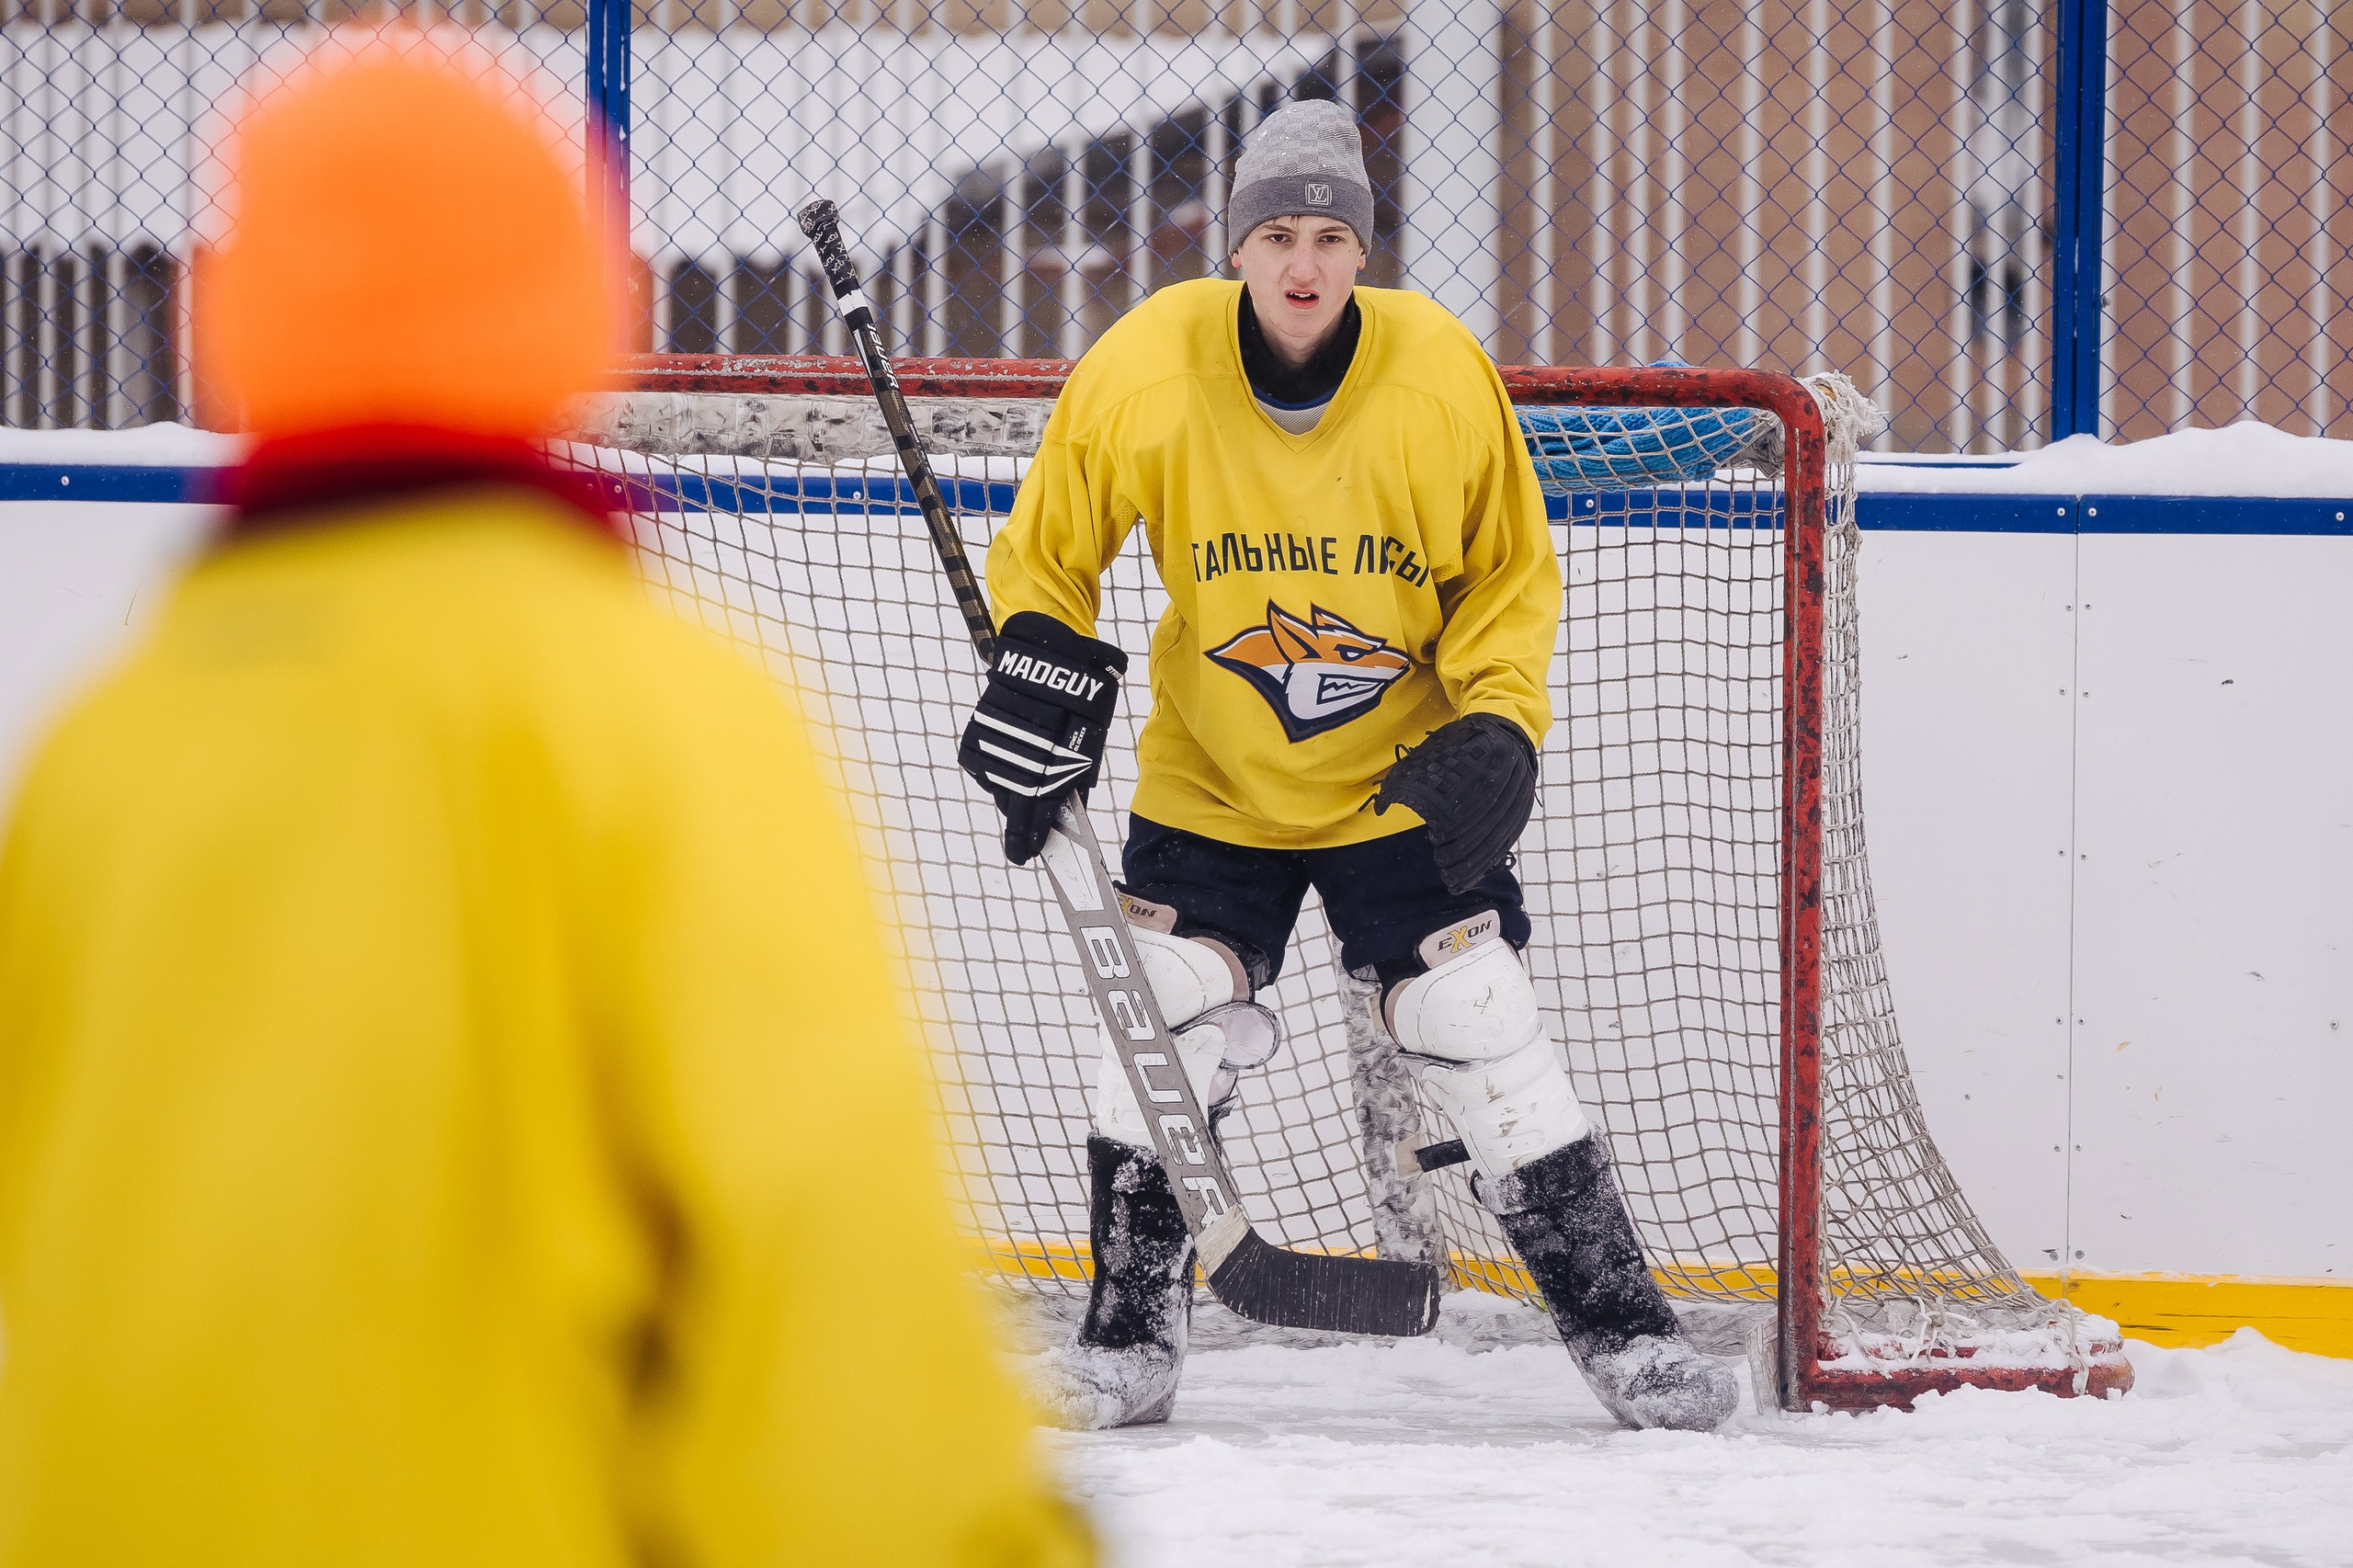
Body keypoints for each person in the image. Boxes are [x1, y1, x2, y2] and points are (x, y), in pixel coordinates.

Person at [0, 42, 1093, 1567]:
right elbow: (817, 1261)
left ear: (232, 309)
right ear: (576, 294)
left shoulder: (97, 762)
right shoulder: (660, 721)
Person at [959, 97, 1740, 1435]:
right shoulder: (1149, 364)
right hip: (1212, 778)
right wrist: (1041, 659)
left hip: (1403, 776)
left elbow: (1506, 574)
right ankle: (1129, 1335)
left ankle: (1625, 1332)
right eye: (1277, 235)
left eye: (1330, 234)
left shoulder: (1438, 377)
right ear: (1240, 252)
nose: (1304, 262)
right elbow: (1050, 547)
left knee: (1478, 1019)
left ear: (1362, 251)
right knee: (1159, 1013)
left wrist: (1500, 720)